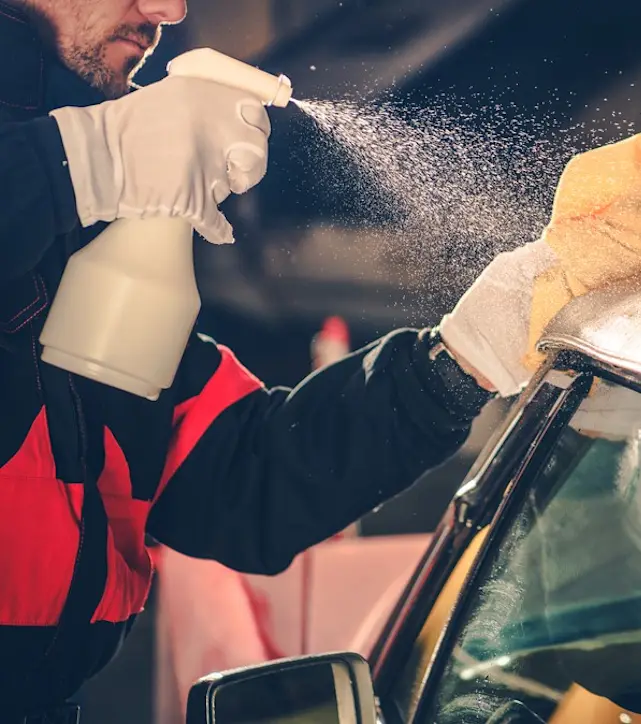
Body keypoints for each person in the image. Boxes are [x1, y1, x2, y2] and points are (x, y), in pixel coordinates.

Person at [0, 0, 581, 721]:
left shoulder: (77, 239)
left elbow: (240, 475)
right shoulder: (63, 176)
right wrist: (81, 160)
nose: (168, 8)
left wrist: (462, 357)